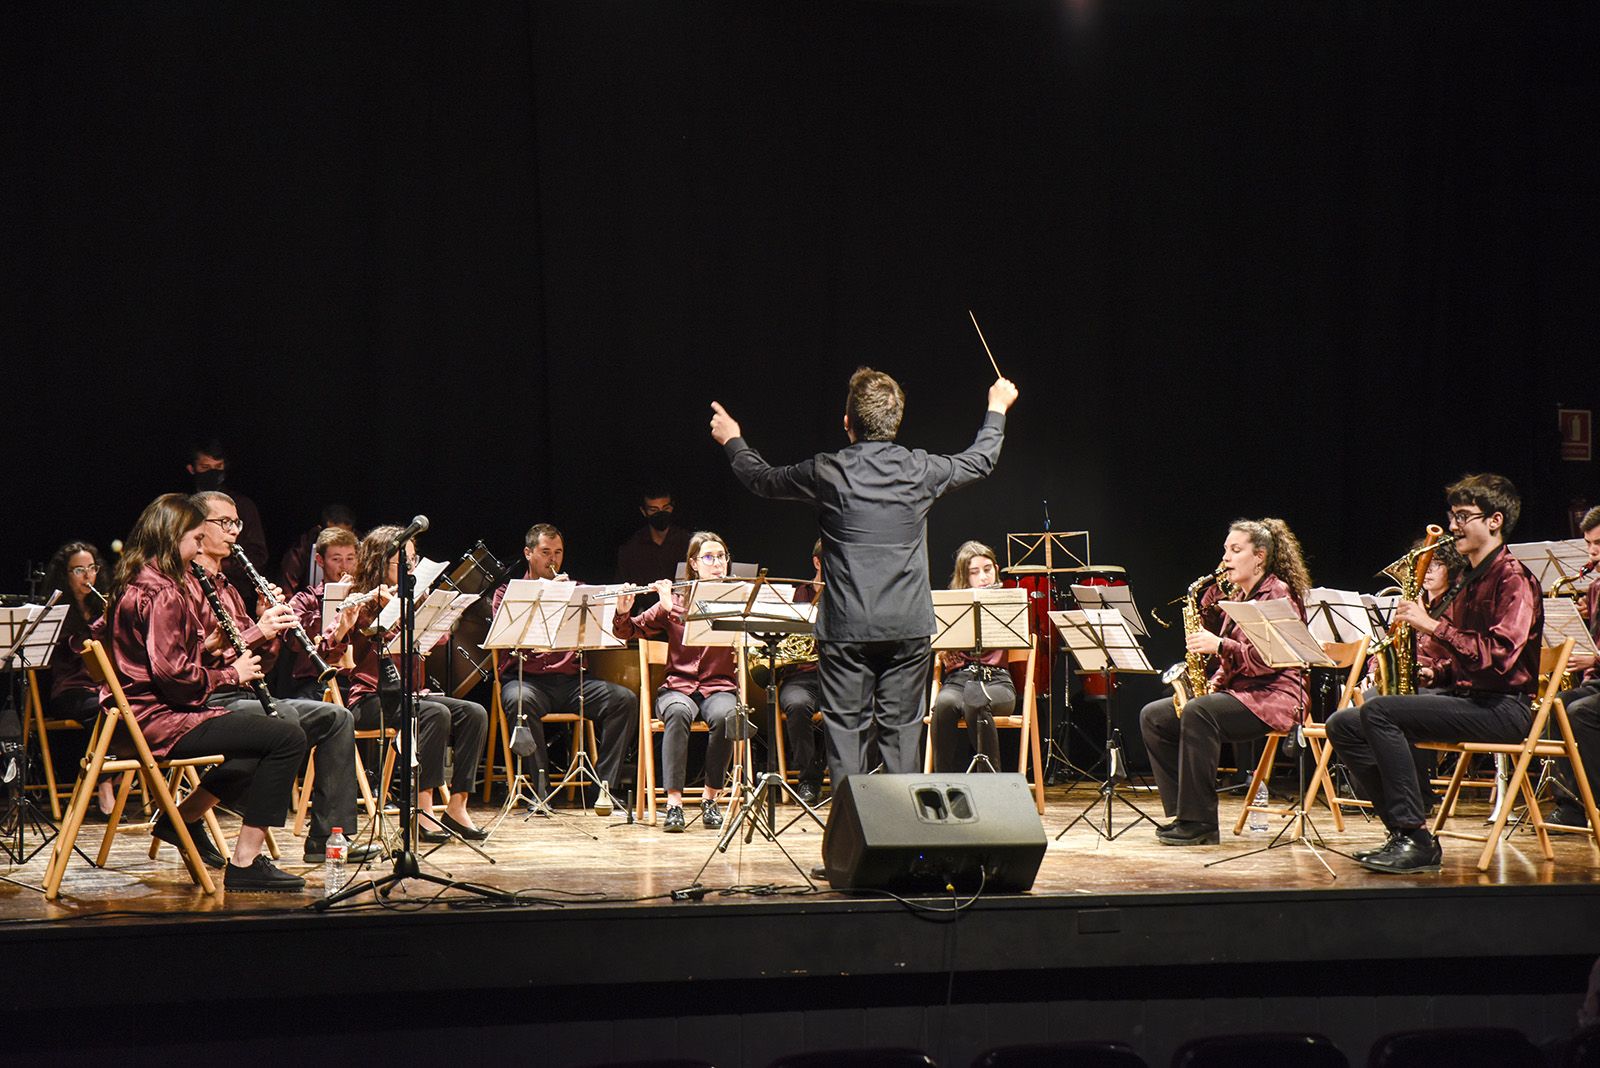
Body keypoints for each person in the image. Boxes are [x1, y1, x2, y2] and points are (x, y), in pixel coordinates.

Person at [711, 367, 1017, 789]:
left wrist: (733, 439)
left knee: (848, 744)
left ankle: (850, 852)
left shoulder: (828, 471)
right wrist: (996, 407)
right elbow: (980, 460)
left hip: (847, 630)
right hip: (906, 628)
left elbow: (761, 479)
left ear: (847, 422)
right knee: (901, 743)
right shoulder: (919, 469)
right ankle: (901, 852)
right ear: (896, 423)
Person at [1327, 474, 1543, 873]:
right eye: (1452, 515)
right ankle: (1402, 829)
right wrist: (1436, 674)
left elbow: (1498, 658)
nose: (1453, 525)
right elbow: (1465, 659)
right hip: (1469, 699)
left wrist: (1431, 626)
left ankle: (1414, 834)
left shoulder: (1514, 579)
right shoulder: (1470, 581)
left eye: (1463, 516)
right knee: (1343, 723)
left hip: (1505, 709)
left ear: (1494, 521)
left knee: (1380, 712)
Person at [100, 494, 307, 891]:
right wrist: (231, 672)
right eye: (195, 539)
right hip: (161, 721)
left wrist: (210, 649)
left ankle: (185, 820)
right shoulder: (164, 591)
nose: (199, 548)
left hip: (138, 720)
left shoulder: (137, 579)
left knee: (256, 742)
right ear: (173, 536)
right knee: (287, 736)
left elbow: (164, 660)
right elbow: (175, 680)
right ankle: (245, 863)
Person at [189, 491, 374, 864]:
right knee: (283, 725)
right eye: (223, 523)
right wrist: (258, 630)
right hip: (202, 699)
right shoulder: (183, 584)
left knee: (337, 718)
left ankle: (329, 838)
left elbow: (261, 661)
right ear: (194, 528)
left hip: (238, 692)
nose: (233, 532)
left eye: (235, 524)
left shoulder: (227, 586)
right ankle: (227, 843)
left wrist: (266, 626)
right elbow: (185, 663)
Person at [1138, 518, 1313, 845]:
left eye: (1236, 550)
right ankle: (1183, 811)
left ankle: (1201, 822)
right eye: (1225, 551)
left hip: (1276, 696)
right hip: (1241, 692)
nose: (1226, 558)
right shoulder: (1239, 594)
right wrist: (1207, 600)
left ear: (1259, 557)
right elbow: (1214, 633)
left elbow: (1269, 660)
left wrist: (1220, 645)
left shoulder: (1277, 595)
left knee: (1199, 711)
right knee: (1155, 717)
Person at [339, 524, 489, 842]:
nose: (410, 567)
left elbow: (435, 640)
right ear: (379, 561)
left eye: (412, 560)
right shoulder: (360, 601)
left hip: (411, 695)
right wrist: (384, 616)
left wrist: (427, 613)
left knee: (474, 712)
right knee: (436, 714)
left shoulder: (411, 599)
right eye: (403, 561)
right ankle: (423, 809)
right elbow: (348, 650)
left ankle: (457, 805)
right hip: (371, 699)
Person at [490, 523, 637, 800]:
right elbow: (505, 639)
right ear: (528, 553)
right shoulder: (508, 592)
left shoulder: (577, 590)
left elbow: (604, 630)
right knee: (518, 701)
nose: (553, 559)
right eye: (546, 552)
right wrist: (547, 597)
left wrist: (619, 612)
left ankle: (603, 789)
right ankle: (540, 791)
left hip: (572, 682)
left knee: (624, 700)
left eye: (558, 552)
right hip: (527, 679)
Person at [613, 531, 741, 832]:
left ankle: (711, 798)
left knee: (728, 716)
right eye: (709, 558)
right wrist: (623, 611)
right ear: (694, 564)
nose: (717, 564)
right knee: (679, 712)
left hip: (719, 686)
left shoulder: (734, 600)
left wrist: (674, 610)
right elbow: (628, 631)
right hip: (678, 688)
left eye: (722, 557)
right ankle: (674, 804)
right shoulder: (675, 598)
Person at [929, 541, 1017, 774]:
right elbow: (940, 646)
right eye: (974, 572)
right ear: (964, 577)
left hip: (997, 682)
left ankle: (990, 783)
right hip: (959, 681)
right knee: (943, 705)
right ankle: (943, 784)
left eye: (988, 569)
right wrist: (945, 646)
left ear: (996, 568)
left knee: (975, 701)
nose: (983, 577)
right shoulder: (954, 605)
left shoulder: (1008, 601)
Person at [42, 541, 115, 815]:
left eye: (92, 568)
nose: (87, 576)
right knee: (102, 708)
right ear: (65, 575)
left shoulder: (104, 606)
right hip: (70, 690)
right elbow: (75, 648)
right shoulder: (57, 611)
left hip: (104, 686)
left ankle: (119, 771)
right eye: (79, 570)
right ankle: (105, 780)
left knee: (132, 706)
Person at [1548, 505, 1600, 829]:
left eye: (1599, 544)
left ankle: (1595, 804)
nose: (1593, 552)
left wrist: (1594, 659)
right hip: (1596, 682)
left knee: (1580, 712)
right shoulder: (1595, 588)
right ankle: (1569, 804)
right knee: (1553, 706)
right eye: (1590, 545)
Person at [283, 525, 360, 701]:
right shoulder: (305, 599)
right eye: (336, 559)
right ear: (320, 560)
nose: (345, 566)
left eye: (350, 558)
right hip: (316, 681)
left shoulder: (363, 598)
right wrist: (337, 598)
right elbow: (294, 641)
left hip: (357, 682)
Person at [186, 439, 266, 592]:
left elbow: (259, 556)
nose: (234, 531)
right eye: (205, 467)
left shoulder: (243, 506)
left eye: (218, 467)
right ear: (192, 468)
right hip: (191, 588)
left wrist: (221, 565)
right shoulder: (184, 507)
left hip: (237, 591)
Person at [615, 485, 692, 614]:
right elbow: (622, 588)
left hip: (680, 613)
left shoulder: (686, 542)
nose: (660, 514)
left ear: (672, 507)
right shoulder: (631, 548)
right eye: (653, 509)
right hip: (645, 617)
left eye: (665, 508)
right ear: (644, 511)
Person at [276, 503, 357, 596]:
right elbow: (286, 593)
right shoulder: (301, 549)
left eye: (344, 535)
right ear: (320, 531)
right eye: (332, 535)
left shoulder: (361, 547)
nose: (339, 542)